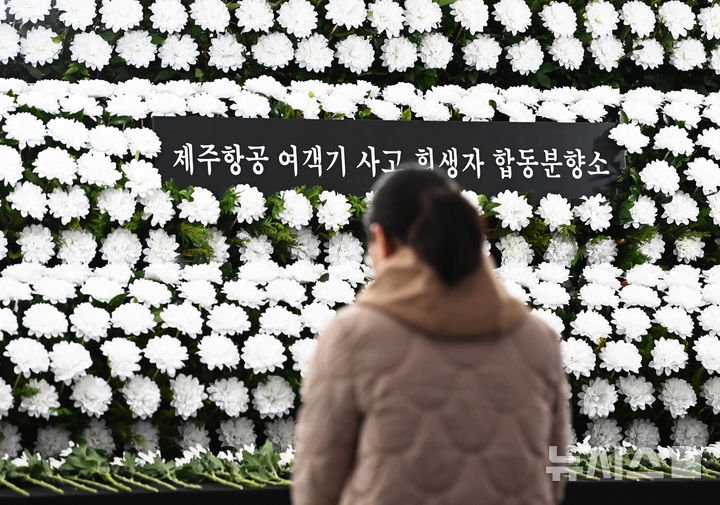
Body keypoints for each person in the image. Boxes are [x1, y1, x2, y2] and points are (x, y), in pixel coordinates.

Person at [292, 168, 570, 505]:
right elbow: (555, 464)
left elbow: (317, 481)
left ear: (381, 239)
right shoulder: (538, 337)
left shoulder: (354, 336)